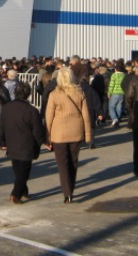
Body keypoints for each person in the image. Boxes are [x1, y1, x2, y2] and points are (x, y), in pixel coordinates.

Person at [45, 67, 91, 203]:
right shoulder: (80, 92)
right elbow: (86, 116)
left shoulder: (54, 94)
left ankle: (67, 192)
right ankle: (71, 188)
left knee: (62, 164)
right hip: (76, 131)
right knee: (73, 162)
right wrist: (88, 134)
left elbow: (49, 117)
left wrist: (47, 136)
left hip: (59, 133)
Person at [0, 82, 43, 204]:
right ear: (28, 94)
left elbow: (1, 126)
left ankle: (23, 191)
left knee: (18, 170)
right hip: (26, 145)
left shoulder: (7, 108)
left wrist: (2, 141)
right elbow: (37, 131)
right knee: (24, 172)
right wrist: (41, 142)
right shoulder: (32, 111)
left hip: (11, 143)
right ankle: (16, 194)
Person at [107, 60, 127, 127]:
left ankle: (114, 119)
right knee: (119, 107)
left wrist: (109, 92)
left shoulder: (114, 75)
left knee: (111, 106)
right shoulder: (124, 75)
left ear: (116, 69)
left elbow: (111, 85)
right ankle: (118, 119)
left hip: (115, 92)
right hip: (122, 93)